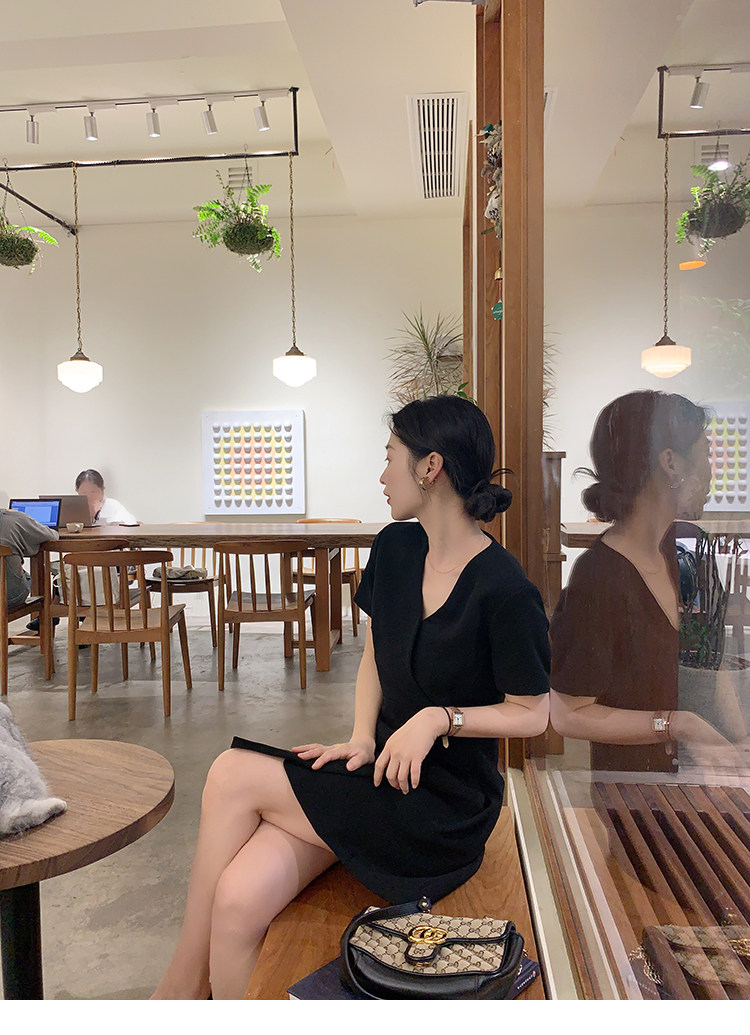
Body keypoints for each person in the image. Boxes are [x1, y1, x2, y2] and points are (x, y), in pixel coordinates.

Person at [152, 395, 550, 1000]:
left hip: (442, 811)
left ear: (430, 467)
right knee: (235, 900)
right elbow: (372, 654)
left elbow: (533, 712)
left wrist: (439, 719)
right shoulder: (395, 548)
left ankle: (179, 991)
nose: (382, 474)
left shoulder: (505, 588)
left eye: (390, 457)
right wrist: (362, 736)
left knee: (232, 772)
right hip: (379, 777)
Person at [549, 390, 743, 772]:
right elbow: (569, 714)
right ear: (670, 463)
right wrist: (674, 725)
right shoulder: (600, 577)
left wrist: (739, 744)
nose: (711, 472)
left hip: (706, 780)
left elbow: (712, 664)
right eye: (705, 454)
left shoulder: (683, 550)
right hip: (637, 793)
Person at [0, 506, 58, 610]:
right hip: (9, 598)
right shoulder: (15, 518)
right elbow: (51, 536)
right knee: (23, 575)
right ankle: (44, 615)